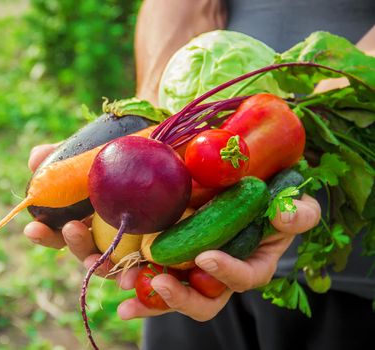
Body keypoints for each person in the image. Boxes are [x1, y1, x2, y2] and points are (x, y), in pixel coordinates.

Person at [24, 1, 375, 349]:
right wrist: (154, 125)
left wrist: (313, 119)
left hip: (344, 268)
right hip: (179, 237)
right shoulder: (168, 235)